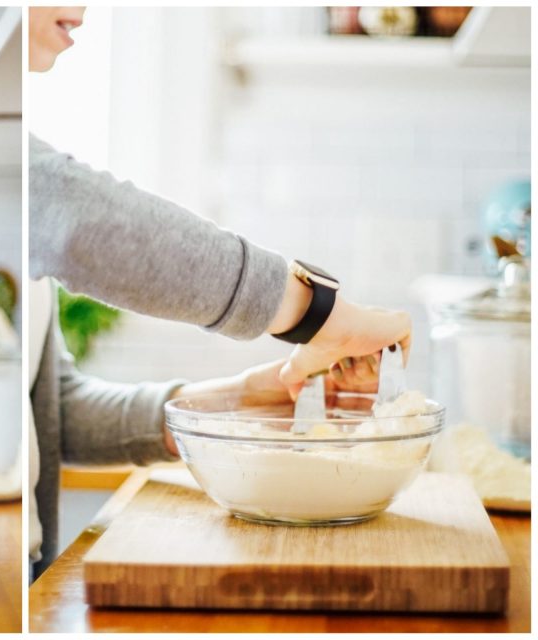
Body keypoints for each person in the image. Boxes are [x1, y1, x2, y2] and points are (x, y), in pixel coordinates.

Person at [27, 6, 411, 577]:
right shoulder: (29, 179)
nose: (85, 8)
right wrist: (322, 314)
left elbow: (57, 418)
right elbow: (73, 215)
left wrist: (243, 399)